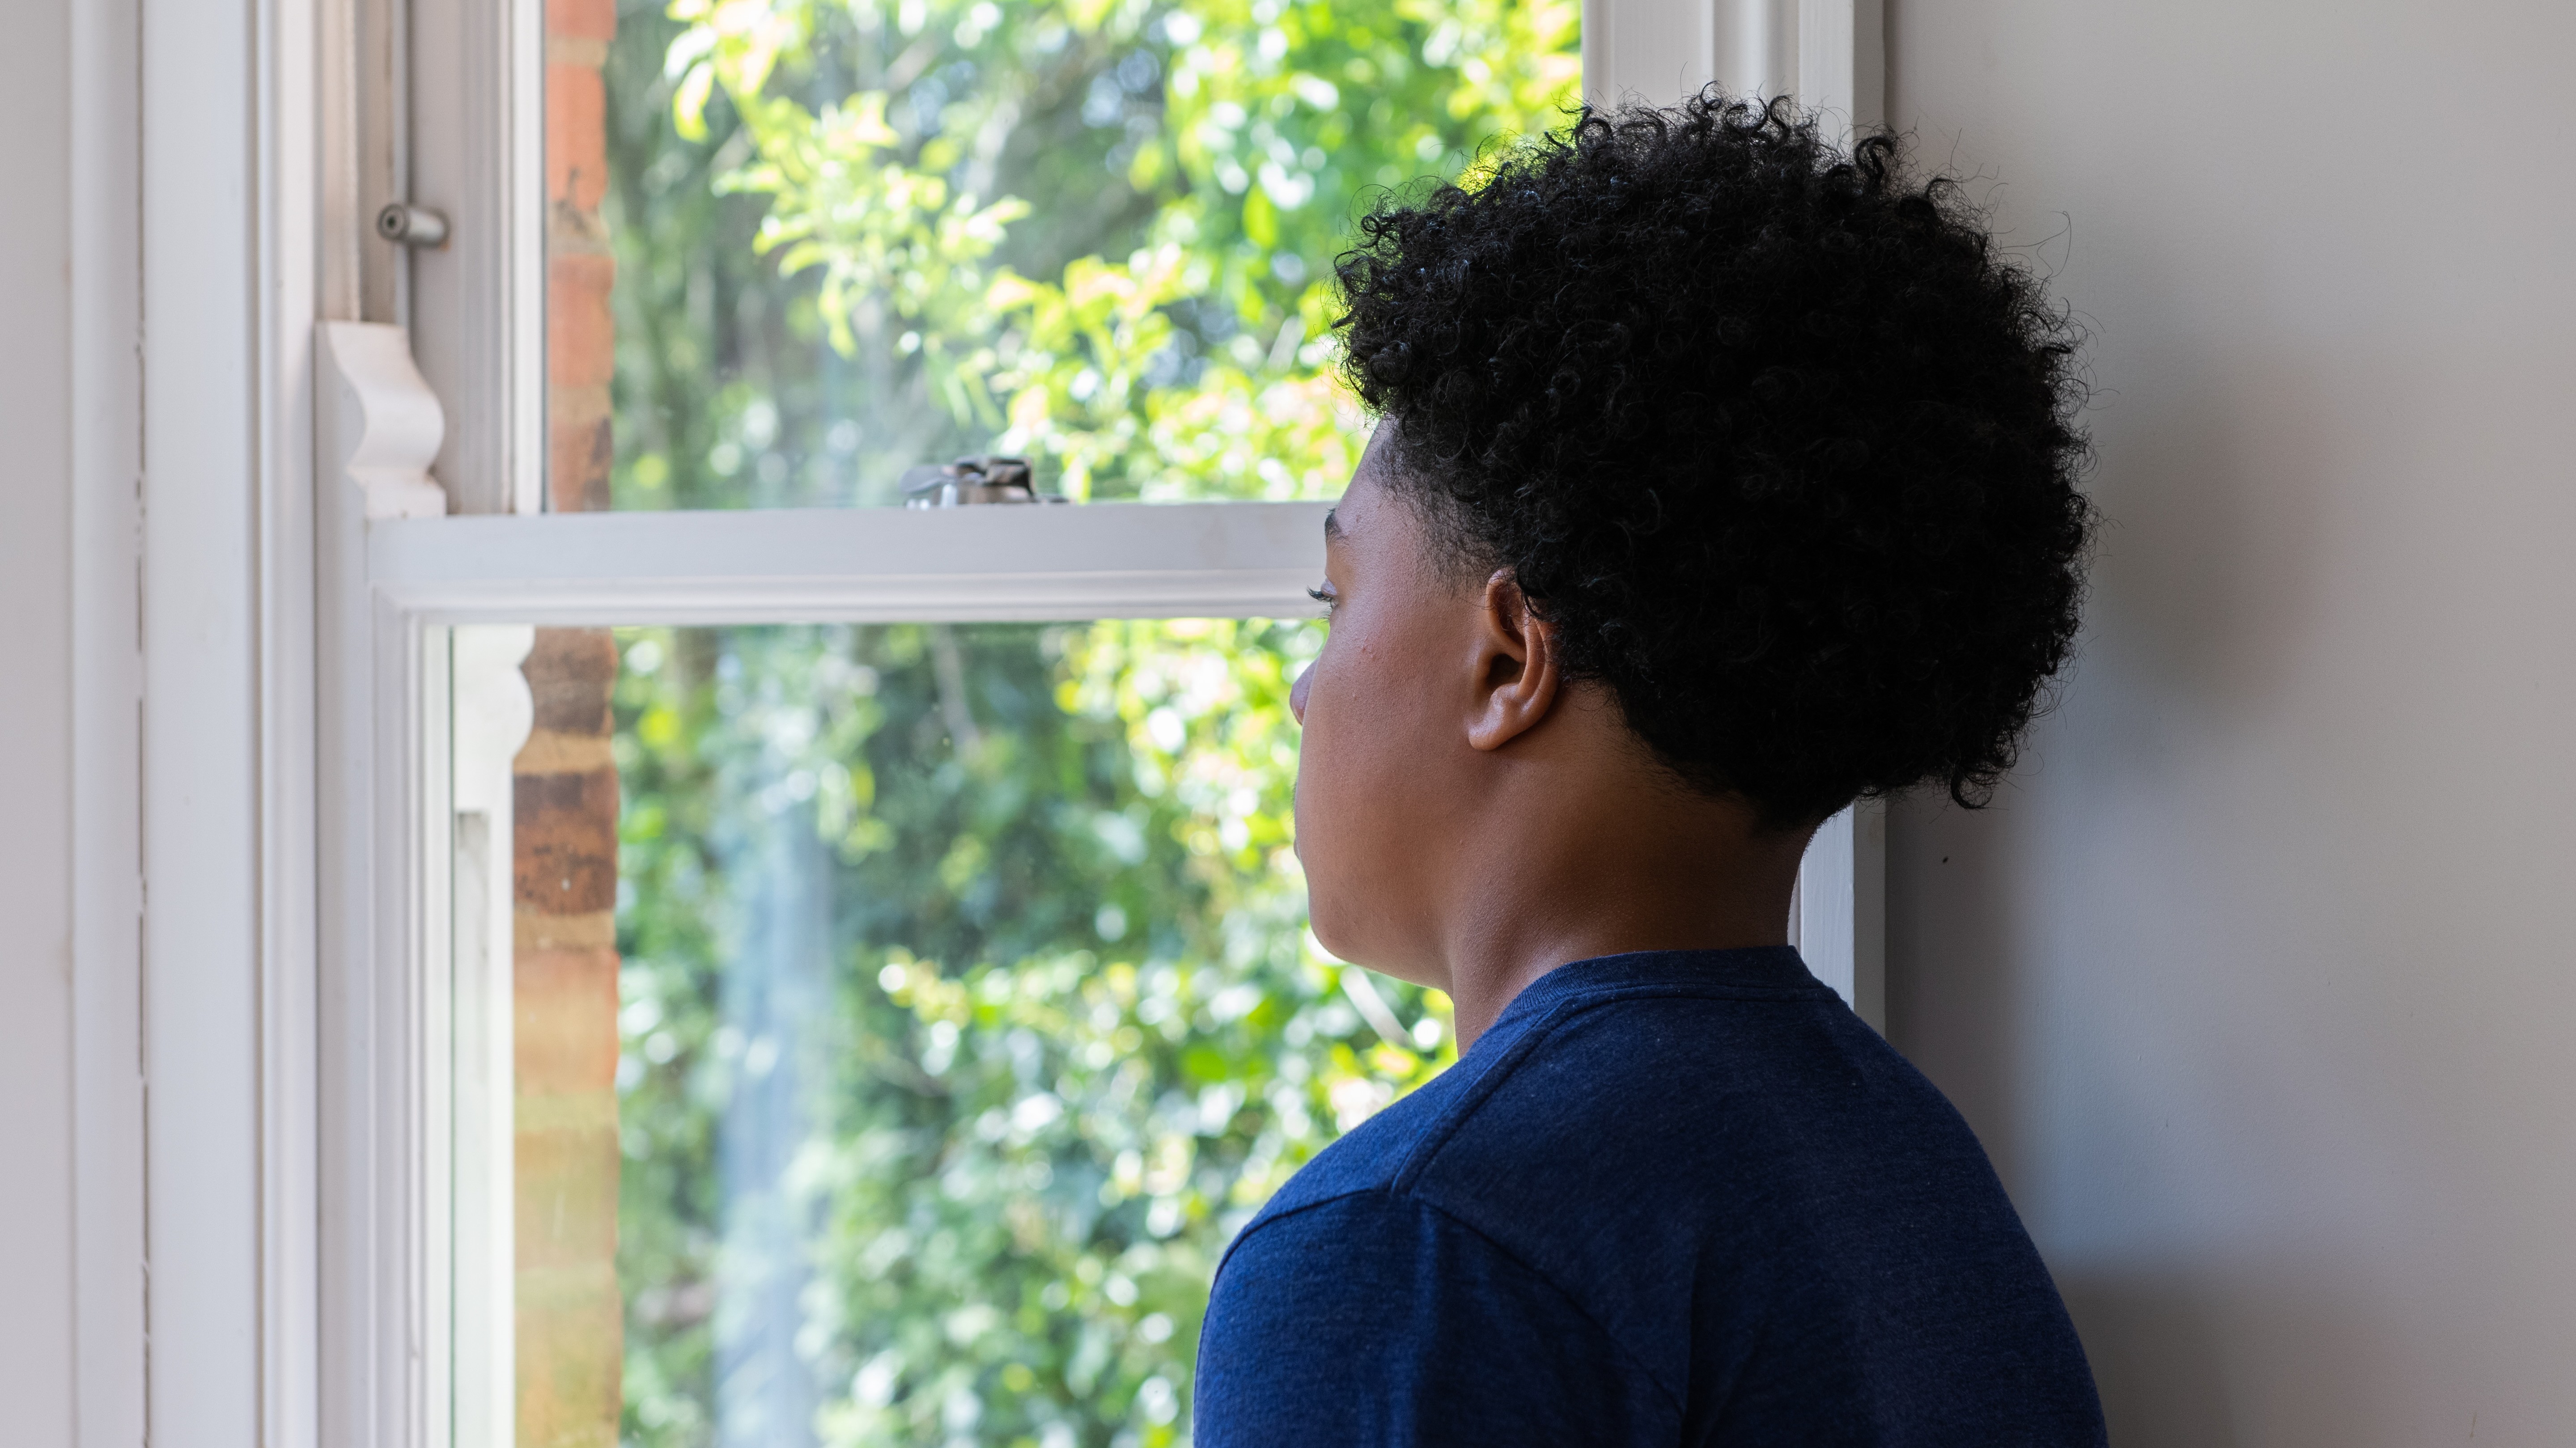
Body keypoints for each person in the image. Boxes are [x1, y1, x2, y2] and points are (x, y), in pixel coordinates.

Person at [1190, 92, 2106, 1445]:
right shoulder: (1906, 1173)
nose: (1301, 685)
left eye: (1335, 597)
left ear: (1509, 660)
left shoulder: (1415, 1252)